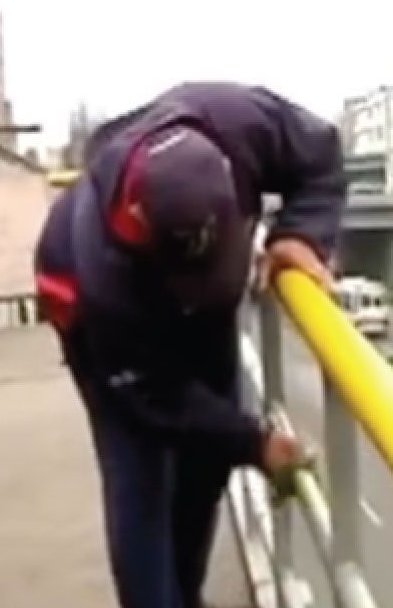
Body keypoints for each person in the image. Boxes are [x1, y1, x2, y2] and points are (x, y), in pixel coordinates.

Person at [34, 82, 347, 608]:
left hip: (191, 307)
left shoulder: (237, 122)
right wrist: (255, 442)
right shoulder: (105, 276)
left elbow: (320, 154)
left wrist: (302, 233)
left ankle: (187, 593)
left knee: (207, 462)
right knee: (140, 474)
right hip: (102, 330)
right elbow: (154, 397)